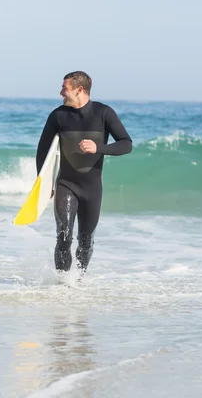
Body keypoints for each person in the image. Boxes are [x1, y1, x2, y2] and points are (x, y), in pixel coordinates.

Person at [35, 71, 132, 276]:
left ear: (79, 90)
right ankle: (62, 284)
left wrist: (99, 148)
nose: (61, 92)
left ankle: (78, 281)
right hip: (66, 184)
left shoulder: (104, 113)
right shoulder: (58, 115)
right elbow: (43, 149)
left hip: (92, 188)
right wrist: (43, 183)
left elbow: (126, 144)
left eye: (65, 88)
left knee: (85, 241)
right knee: (64, 235)